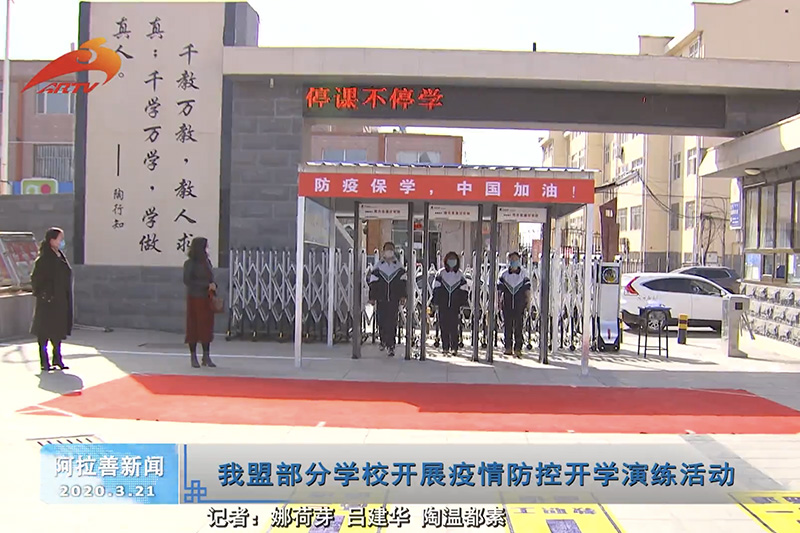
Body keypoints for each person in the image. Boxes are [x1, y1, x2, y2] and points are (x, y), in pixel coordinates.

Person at [30, 227, 73, 372]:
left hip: (60, 299)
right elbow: (36, 278)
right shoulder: (44, 259)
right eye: (60, 239)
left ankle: (57, 358)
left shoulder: (60, 256)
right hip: (47, 301)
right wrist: (44, 293)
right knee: (44, 331)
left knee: (57, 330)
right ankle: (44, 361)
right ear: (52, 240)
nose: (62, 242)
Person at [368, 242, 407, 357]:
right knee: (381, 321)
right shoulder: (378, 267)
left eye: (391, 249)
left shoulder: (399, 267)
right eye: (387, 249)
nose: (389, 251)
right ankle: (383, 340)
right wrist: (372, 297)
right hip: (381, 299)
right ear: (383, 251)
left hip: (393, 299)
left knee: (392, 322)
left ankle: (391, 345)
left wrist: (403, 296)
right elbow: (373, 284)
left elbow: (403, 283)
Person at [183, 237, 217, 368]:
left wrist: (213, 285)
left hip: (206, 298)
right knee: (194, 326)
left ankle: (206, 356)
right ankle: (193, 356)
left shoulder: (206, 262)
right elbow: (188, 281)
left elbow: (211, 278)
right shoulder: (190, 263)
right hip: (195, 297)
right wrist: (205, 285)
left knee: (206, 327)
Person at [431, 252, 469, 356]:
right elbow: (436, 288)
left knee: (454, 326)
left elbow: (464, 289)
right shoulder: (441, 273)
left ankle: (454, 347)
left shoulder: (460, 275)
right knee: (443, 326)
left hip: (454, 305)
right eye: (450, 259)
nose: (451, 261)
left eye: (453, 259)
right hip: (443, 305)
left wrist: (462, 302)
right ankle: (445, 347)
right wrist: (436, 301)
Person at [497, 251, 532, 358]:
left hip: (519, 304)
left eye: (516, 259)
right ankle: (508, 347)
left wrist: (528, 303)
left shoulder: (523, 274)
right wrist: (498, 303)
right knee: (507, 326)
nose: (514, 262)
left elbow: (527, 290)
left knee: (519, 326)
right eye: (512, 260)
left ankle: (518, 348)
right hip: (507, 304)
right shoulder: (504, 274)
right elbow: (499, 291)